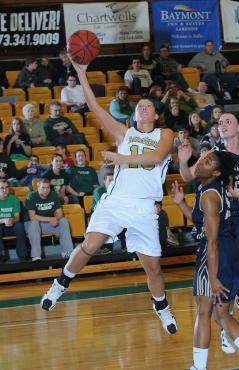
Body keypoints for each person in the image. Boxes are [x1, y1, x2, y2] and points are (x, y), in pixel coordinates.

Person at [40, 57, 178, 336]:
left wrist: (119, 157)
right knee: (90, 244)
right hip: (116, 203)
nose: (142, 107)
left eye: (147, 106)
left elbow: (158, 156)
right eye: (139, 106)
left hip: (143, 208)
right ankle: (60, 285)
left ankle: (161, 307)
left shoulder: (165, 133)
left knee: (153, 268)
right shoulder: (124, 133)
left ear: (154, 115)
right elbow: (93, 107)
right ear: (135, 115)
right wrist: (80, 73)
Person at [179, 112, 239, 345]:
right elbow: (189, 174)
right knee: (226, 279)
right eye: (220, 122)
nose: (223, 124)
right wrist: (184, 159)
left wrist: (236, 193)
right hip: (225, 222)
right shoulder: (212, 154)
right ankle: (225, 328)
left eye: (228, 120)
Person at [171, 150, 239, 370]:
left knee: (204, 312)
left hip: (215, 253)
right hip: (230, 251)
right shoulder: (211, 189)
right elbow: (202, 222)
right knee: (222, 313)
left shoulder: (209, 196)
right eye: (203, 158)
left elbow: (212, 240)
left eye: (208, 162)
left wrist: (213, 278)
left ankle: (199, 366)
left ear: (215, 172)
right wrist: (180, 203)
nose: (202, 162)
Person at [24, 178, 74, 261]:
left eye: (48, 188)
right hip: (31, 225)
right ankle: (36, 256)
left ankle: (67, 252)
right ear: (38, 187)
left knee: (63, 221)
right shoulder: (32, 196)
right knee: (34, 223)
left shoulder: (53, 195)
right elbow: (32, 217)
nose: (45, 190)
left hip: (46, 224)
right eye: (43, 188)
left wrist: (55, 218)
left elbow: (59, 213)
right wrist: (50, 219)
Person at [0, 179, 28, 263]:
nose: (4, 190)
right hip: (1, 225)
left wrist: (12, 220)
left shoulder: (14, 199)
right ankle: (1, 255)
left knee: (19, 226)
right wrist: (4, 220)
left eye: (6, 187)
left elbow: (17, 217)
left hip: (12, 224)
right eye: (1, 188)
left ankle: (23, 255)